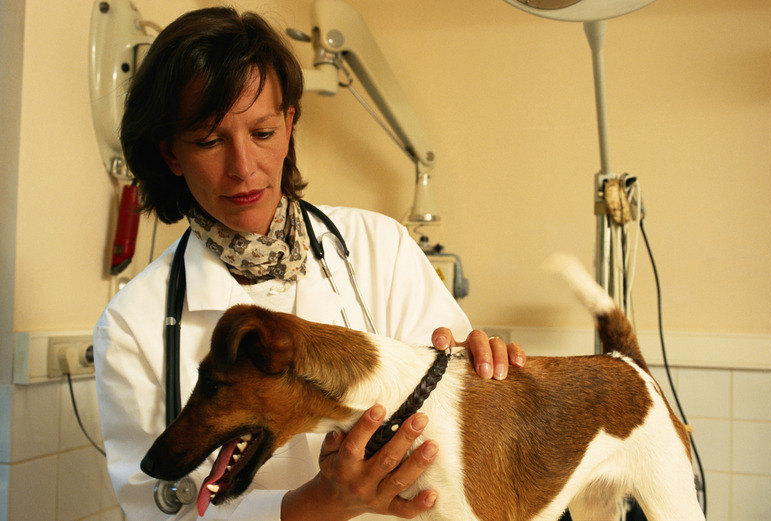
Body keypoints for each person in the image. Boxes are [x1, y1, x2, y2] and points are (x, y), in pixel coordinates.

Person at [93, 7, 525, 521]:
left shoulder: (380, 247)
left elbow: (457, 418)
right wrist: (317, 504)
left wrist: (487, 371)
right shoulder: (131, 324)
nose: (243, 168)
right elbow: (159, 510)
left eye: (263, 132)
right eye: (209, 141)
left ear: (290, 122)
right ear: (171, 155)